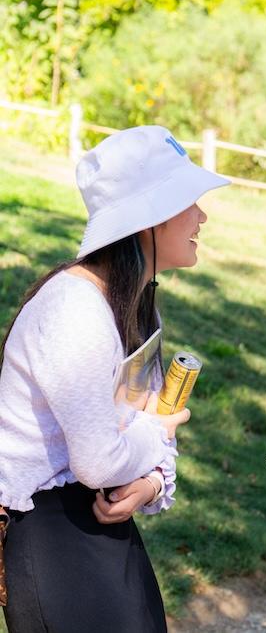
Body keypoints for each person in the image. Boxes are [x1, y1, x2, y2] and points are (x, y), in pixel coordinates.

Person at [0, 126, 229, 631]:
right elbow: (103, 458)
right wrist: (158, 434)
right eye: (190, 202)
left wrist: (150, 482)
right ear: (150, 216)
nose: (202, 217)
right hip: (50, 536)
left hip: (100, 522)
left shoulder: (132, 302)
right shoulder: (74, 312)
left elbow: (139, 424)